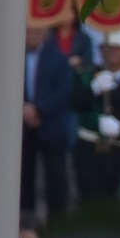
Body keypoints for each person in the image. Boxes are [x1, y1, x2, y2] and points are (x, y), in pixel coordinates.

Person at [72, 28, 120, 198]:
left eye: (117, 48)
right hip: (90, 152)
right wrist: (93, 90)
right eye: (107, 47)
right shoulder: (86, 77)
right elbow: (73, 103)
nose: (112, 52)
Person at [23, 24, 78, 222]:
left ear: (45, 34)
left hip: (51, 125)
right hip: (22, 127)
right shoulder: (12, 56)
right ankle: (25, 229)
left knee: (56, 182)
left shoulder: (58, 58)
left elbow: (63, 91)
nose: (31, 36)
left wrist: (38, 109)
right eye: (28, 32)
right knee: (23, 181)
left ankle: (58, 232)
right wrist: (23, 109)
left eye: (36, 32)